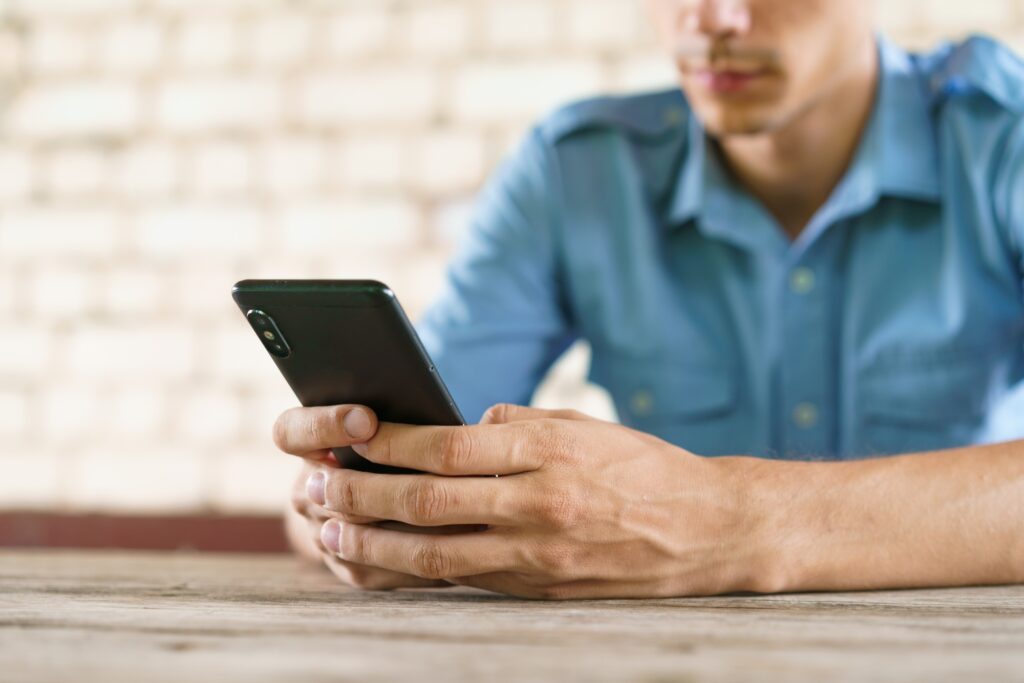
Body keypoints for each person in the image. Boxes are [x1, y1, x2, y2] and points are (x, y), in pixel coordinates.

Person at [275, 0, 1024, 599]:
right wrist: (353, 506)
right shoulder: (575, 175)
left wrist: (732, 522)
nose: (713, 18)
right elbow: (391, 456)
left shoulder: (1004, 142)